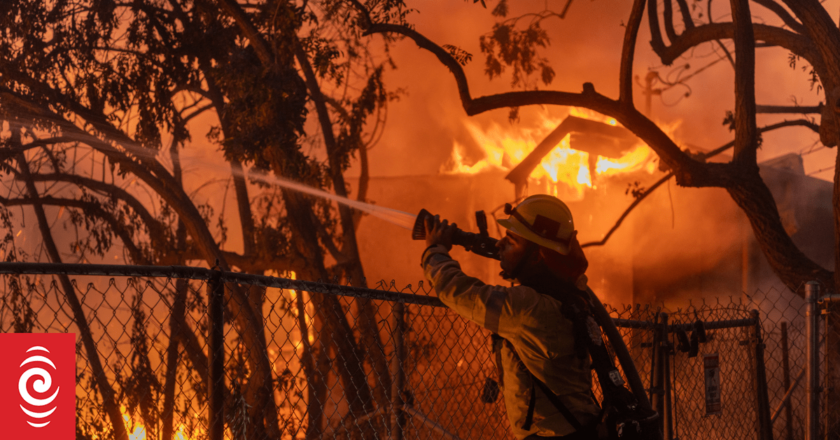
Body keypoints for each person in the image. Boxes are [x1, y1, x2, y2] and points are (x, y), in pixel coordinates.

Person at [421, 194, 602, 440]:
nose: (499, 245)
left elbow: (458, 291)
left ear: (538, 256)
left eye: (511, 240)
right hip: (582, 429)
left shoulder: (528, 307)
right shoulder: (570, 298)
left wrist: (435, 250)